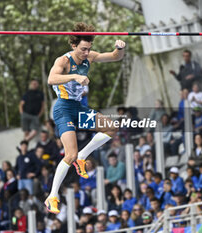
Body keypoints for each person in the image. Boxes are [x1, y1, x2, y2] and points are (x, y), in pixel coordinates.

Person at [45, 22, 126, 214]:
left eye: (88, 49)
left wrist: (120, 48)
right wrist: (74, 77)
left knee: (111, 128)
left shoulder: (90, 56)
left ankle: (83, 155)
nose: (86, 53)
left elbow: (115, 57)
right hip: (63, 109)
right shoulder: (63, 61)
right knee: (69, 154)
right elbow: (51, 79)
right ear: (74, 46)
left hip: (79, 108)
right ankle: (52, 196)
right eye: (83, 49)